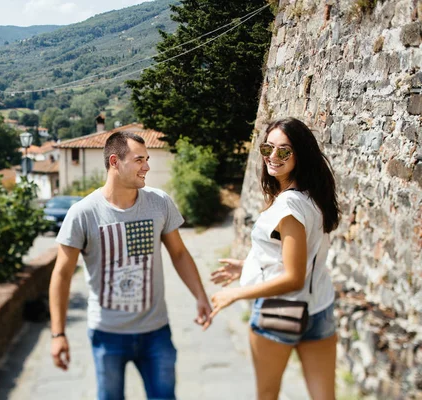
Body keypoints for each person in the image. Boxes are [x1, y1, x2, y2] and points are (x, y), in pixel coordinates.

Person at [49, 131, 212, 400]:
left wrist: (200, 295)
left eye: (146, 159)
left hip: (156, 331)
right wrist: (58, 333)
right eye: (139, 160)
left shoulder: (159, 202)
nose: (147, 166)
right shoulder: (83, 213)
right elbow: (62, 275)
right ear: (115, 161)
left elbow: (179, 254)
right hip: (107, 334)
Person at [209, 118, 340, 400]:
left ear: (300, 154)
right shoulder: (313, 197)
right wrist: (247, 265)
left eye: (284, 151)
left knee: (267, 395)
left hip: (279, 313)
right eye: (268, 148)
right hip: (319, 310)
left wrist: (235, 294)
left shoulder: (288, 205)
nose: (272, 157)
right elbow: (301, 258)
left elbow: (293, 278)